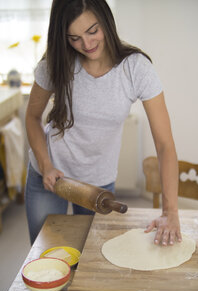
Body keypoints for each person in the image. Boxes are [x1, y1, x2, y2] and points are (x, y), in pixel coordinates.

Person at [25, 0, 181, 246]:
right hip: (49, 176)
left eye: (92, 31)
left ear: (106, 20)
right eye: (74, 38)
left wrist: (170, 211)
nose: (86, 45)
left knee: (90, 259)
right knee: (45, 255)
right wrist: (45, 165)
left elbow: (164, 145)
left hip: (97, 181)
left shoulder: (136, 68)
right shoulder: (54, 63)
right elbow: (32, 118)